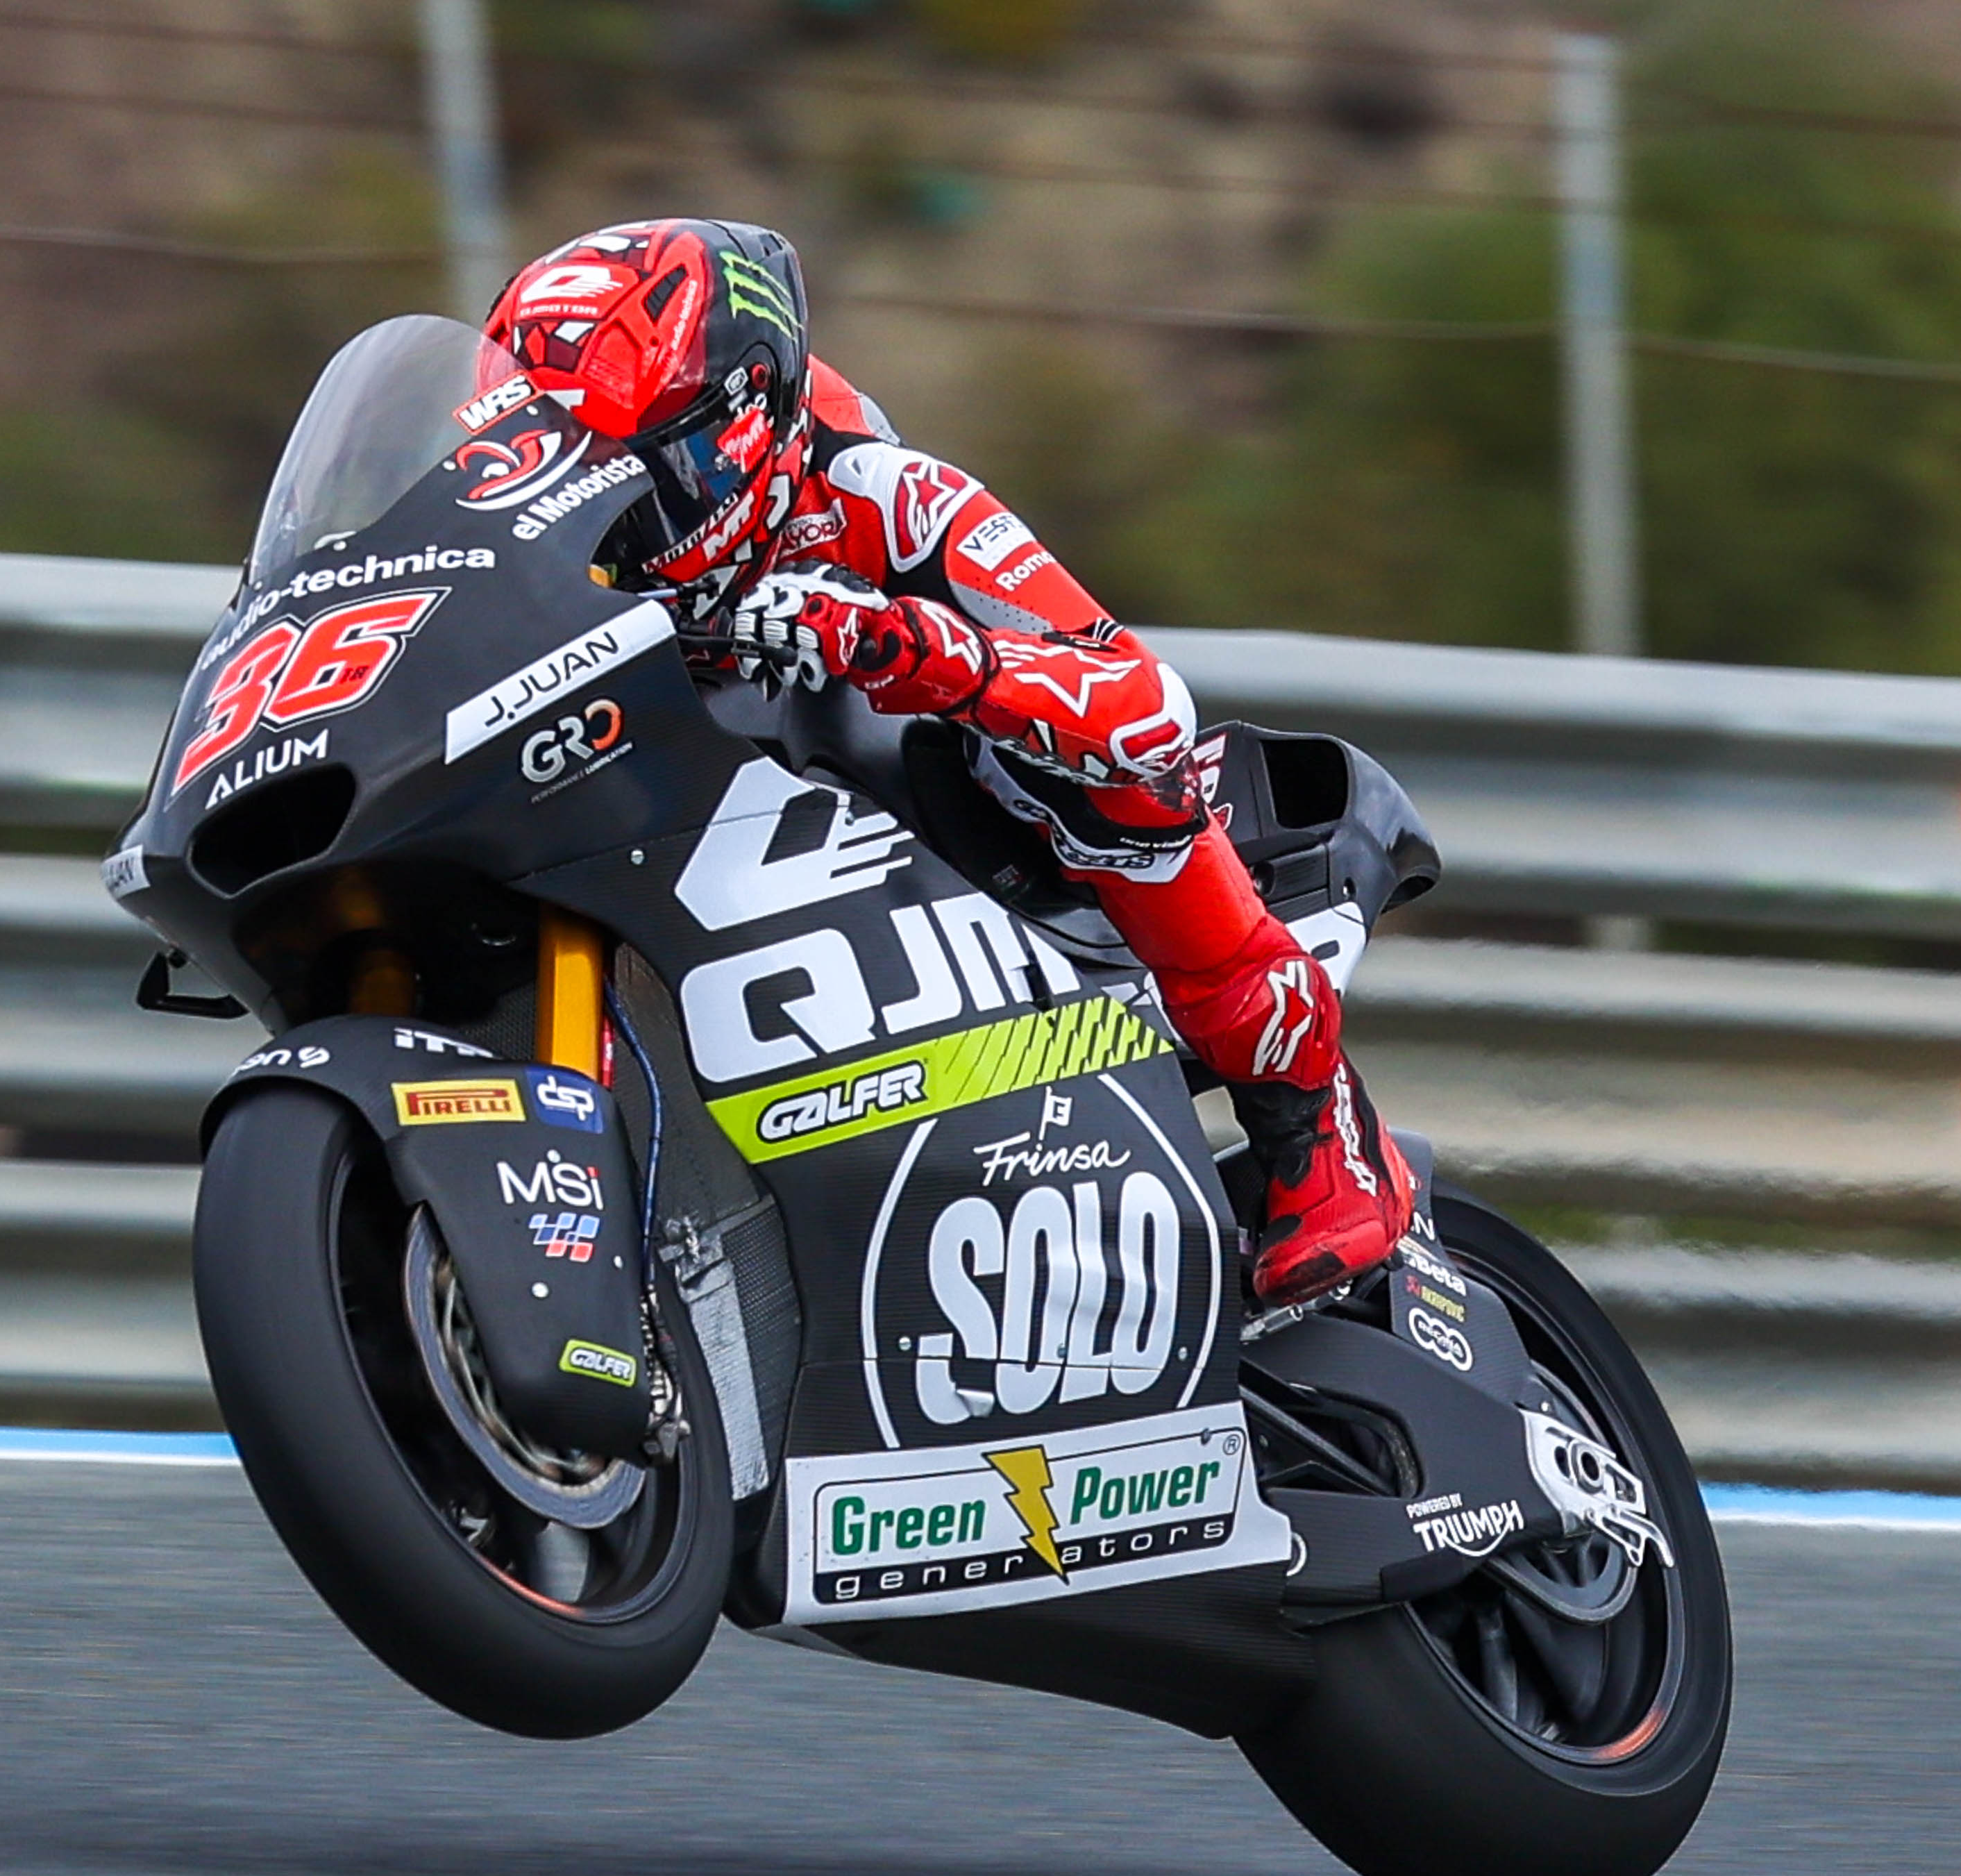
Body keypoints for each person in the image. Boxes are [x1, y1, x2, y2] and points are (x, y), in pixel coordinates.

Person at [482, 216, 1413, 1305]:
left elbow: (1142, 701)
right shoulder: (569, 553)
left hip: (934, 819)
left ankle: (1314, 1127)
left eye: (655, 475)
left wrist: (900, 644)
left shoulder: (880, 493)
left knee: (1114, 784)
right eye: (588, 478)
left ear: (747, 416)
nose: (626, 520)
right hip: (686, 831)